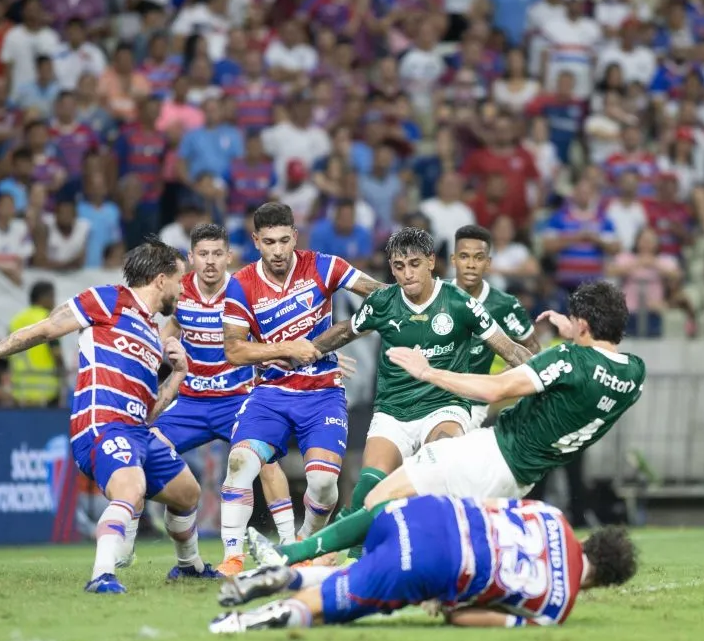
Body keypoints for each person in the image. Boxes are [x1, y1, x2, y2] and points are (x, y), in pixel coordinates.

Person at [251, 282, 645, 567]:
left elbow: (495, 389)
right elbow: (595, 360)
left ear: (584, 327)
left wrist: (429, 373)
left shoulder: (568, 362)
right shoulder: (634, 375)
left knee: (377, 498)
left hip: (492, 452)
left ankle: (292, 555)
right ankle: (373, 564)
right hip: (521, 477)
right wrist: (573, 330)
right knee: (438, 525)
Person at [0, 238, 220, 592]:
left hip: (137, 432)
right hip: (101, 426)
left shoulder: (150, 333)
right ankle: (102, 575)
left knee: (188, 493)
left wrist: (177, 375)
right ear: (161, 280)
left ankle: (188, 566)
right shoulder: (109, 299)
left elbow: (149, 411)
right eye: (180, 280)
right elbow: (47, 327)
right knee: (132, 489)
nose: (182, 290)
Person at [303, 226, 535, 558]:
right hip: (392, 411)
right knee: (369, 487)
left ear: (431, 262)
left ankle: (447, 552)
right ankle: (355, 562)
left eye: (414, 264)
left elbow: (510, 350)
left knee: (441, 466)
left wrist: (548, 377)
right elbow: (341, 333)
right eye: (399, 266)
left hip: (444, 406)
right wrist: (300, 352)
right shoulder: (383, 302)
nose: (407, 274)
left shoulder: (459, 302)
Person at [117, 224, 300, 570]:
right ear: (191, 258)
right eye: (203, 254)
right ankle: (125, 541)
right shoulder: (179, 291)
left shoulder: (245, 289)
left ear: (229, 256)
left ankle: (290, 545)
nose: (211, 262)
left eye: (218, 254)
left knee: (265, 460)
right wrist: (159, 349)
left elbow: (272, 333)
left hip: (238, 401)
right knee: (140, 449)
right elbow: (169, 332)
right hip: (190, 402)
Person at [217, 202, 385, 575]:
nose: (278, 251)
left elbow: (381, 297)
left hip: (322, 392)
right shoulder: (241, 283)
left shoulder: (324, 265)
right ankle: (231, 556)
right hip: (270, 395)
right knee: (240, 462)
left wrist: (336, 338)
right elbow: (233, 349)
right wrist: (287, 348)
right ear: (256, 241)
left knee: (324, 484)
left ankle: (304, 544)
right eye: (269, 242)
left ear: (295, 236)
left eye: (284, 241)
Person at [210, 495, 637, 633]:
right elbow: (469, 619)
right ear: (604, 584)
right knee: (334, 604)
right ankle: (245, 623)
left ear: (590, 539)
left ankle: (282, 575)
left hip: (426, 511)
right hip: (435, 562)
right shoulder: (557, 606)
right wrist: (450, 606)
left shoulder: (551, 514)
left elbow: (488, 505)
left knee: (365, 568)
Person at [451, 225, 538, 428]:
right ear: (453, 259)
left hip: (471, 404)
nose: (471, 264)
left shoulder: (505, 305)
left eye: (478, 258)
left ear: (488, 263)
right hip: (428, 396)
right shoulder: (436, 293)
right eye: (464, 256)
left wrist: (496, 381)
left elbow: (533, 349)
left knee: (443, 447)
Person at [8, 281, 66, 407]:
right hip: (46, 391)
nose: (54, 302)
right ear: (42, 298)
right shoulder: (47, 320)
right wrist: (63, 375)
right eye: (51, 296)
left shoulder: (16, 321)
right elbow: (56, 354)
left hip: (20, 391)